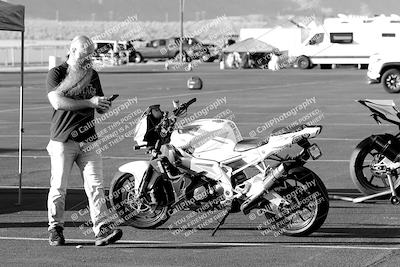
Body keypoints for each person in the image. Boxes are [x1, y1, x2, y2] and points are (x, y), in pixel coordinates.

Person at [46, 35, 122, 246]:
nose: (89, 58)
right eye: (85, 54)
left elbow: (97, 101)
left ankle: (101, 228)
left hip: (88, 139)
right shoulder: (57, 73)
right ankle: (55, 228)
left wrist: (102, 105)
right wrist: (89, 102)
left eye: (91, 54)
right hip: (63, 139)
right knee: (59, 187)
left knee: (96, 186)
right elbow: (57, 102)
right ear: (72, 50)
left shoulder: (93, 74)